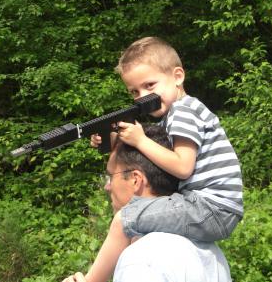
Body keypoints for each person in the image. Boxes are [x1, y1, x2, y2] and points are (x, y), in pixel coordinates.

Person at [87, 37, 243, 282]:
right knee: (142, 222)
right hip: (211, 208)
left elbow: (181, 166)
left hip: (209, 207)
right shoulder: (175, 116)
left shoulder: (184, 111)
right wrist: (113, 138)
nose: (142, 96)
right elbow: (151, 157)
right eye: (135, 91)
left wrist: (140, 140)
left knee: (125, 218)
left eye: (150, 85)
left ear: (178, 76)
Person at [62, 125, 232, 282]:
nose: (107, 186)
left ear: (136, 179)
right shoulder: (212, 254)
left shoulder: (142, 259)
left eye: (110, 176)